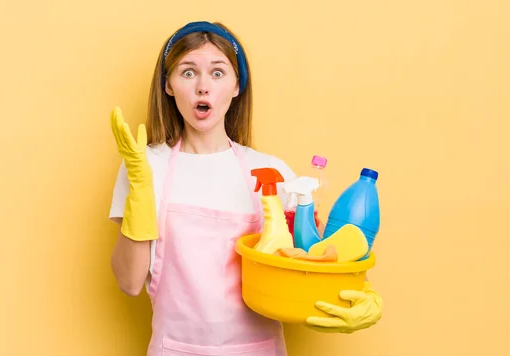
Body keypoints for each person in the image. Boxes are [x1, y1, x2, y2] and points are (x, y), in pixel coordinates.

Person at [108, 21, 382, 355]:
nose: (203, 87)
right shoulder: (144, 164)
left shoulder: (272, 171)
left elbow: (317, 261)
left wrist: (363, 294)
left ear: (238, 86)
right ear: (168, 84)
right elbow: (129, 282)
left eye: (218, 73)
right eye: (188, 72)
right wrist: (139, 189)